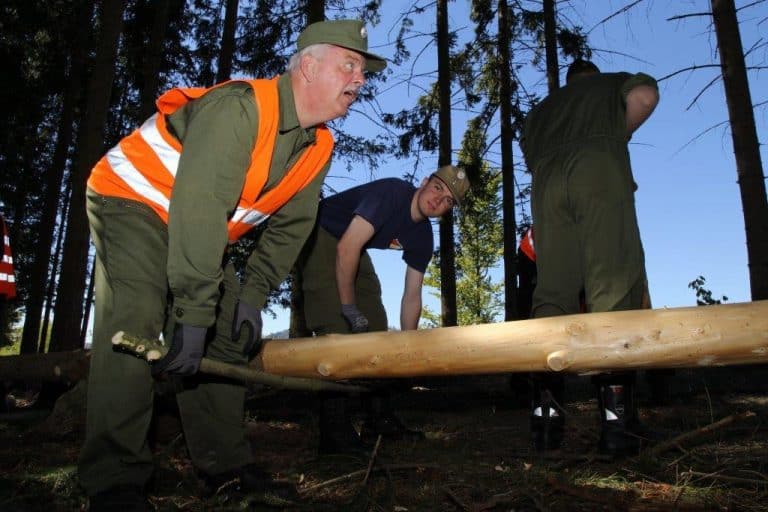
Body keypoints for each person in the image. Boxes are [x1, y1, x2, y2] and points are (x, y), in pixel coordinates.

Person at [79, 19, 387, 510]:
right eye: (349, 64)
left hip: (190, 228)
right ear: (307, 66)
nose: (360, 79)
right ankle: (114, 480)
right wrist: (192, 310)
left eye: (363, 71)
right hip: (132, 197)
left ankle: (225, 467)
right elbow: (201, 206)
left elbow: (291, 229)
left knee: (225, 336)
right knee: (137, 313)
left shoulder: (318, 147)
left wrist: (251, 296)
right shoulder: (241, 107)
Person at [520, 59, 660, 456]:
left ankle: (545, 424)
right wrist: (614, 134)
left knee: (552, 294)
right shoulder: (612, 83)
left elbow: (530, 154)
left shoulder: (544, 109)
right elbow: (645, 96)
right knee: (612, 287)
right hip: (598, 170)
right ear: (593, 76)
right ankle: (617, 429)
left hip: (547, 186)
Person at [295, 165, 469, 455]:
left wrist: (408, 347)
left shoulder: (423, 237)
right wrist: (348, 308)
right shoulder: (392, 192)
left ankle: (379, 419)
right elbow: (346, 248)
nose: (439, 200)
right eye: (438, 188)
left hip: (352, 246)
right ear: (425, 182)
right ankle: (333, 432)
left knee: (376, 326)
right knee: (336, 328)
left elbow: (412, 295)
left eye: (449, 201)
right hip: (322, 234)